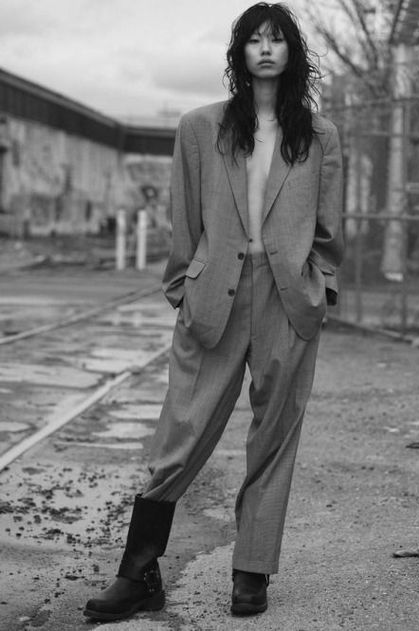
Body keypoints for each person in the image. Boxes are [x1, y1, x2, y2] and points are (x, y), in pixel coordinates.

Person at [84, 1, 344, 621]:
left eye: (276, 39)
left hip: (288, 298)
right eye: (253, 39)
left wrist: (321, 288)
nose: (264, 49)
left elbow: (330, 230)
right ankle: (139, 574)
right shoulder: (199, 127)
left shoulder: (320, 134)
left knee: (274, 437)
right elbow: (184, 217)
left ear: (291, 53)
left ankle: (250, 574)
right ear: (239, 52)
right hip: (214, 294)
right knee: (183, 431)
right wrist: (182, 288)